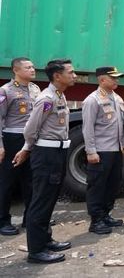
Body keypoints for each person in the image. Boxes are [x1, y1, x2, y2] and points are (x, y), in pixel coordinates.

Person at [14, 59, 76, 264]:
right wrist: (27, 149)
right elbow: (30, 130)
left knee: (50, 199)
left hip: (58, 152)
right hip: (46, 155)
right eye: (71, 72)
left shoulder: (59, 95)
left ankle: (45, 239)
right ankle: (36, 250)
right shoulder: (46, 98)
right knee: (40, 201)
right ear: (57, 76)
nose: (74, 76)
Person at [82, 66, 124, 235]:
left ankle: (106, 214)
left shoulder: (116, 98)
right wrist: (91, 151)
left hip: (116, 150)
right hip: (101, 151)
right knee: (97, 185)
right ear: (102, 80)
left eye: (117, 77)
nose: (117, 81)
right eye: (113, 78)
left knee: (113, 184)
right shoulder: (92, 100)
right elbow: (88, 128)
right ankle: (96, 220)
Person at [0, 57, 40, 236]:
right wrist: (0, 145)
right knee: (7, 181)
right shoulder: (6, 91)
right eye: (28, 67)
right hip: (12, 139)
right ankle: (2, 220)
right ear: (16, 70)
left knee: (31, 180)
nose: (32, 70)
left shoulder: (35, 88)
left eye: (32, 67)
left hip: (30, 139)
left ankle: (30, 218)